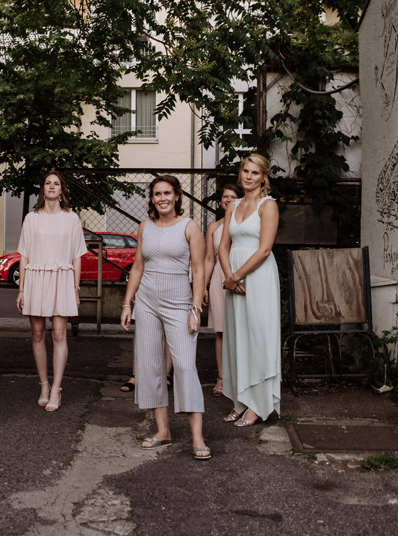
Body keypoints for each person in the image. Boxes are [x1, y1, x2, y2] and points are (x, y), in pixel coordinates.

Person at [120, 175, 210, 460]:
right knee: (150, 366)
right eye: (157, 194)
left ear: (177, 196)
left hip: (179, 303)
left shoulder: (190, 226)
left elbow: (198, 270)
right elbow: (137, 267)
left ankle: (198, 437)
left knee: (184, 366)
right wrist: (127, 303)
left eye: (167, 193)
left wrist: (195, 308)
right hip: (146, 302)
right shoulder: (145, 227)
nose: (162, 198)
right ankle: (163, 431)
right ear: (152, 198)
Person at [15, 171, 87, 412]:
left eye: (56, 183)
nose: (52, 187)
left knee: (58, 334)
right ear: (42, 189)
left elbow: (77, 256)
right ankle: (43, 385)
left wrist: (75, 288)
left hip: (62, 279)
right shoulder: (31, 218)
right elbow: (24, 255)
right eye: (48, 183)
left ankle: (57, 388)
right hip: (36, 278)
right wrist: (21, 290)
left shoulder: (72, 218)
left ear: (61, 189)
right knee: (37, 334)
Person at [219, 154, 281, 427]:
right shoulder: (232, 205)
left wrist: (236, 276)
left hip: (258, 276)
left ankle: (259, 404)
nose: (249, 176)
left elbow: (265, 249)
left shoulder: (268, 206)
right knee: (237, 338)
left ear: (263, 177)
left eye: (255, 173)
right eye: (246, 171)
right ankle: (240, 401)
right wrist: (229, 277)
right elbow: (223, 246)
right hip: (234, 278)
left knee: (258, 335)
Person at [203, 182, 242, 399]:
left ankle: (240, 378)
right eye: (225, 197)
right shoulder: (213, 228)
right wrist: (204, 287)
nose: (228, 200)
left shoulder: (246, 224)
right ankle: (221, 377)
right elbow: (209, 258)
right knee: (221, 331)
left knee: (241, 329)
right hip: (219, 277)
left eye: (233, 197)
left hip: (240, 274)